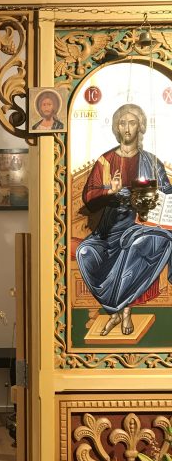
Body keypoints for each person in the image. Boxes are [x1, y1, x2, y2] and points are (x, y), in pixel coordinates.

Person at [76, 103, 172, 336]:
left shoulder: (151, 161)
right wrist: (110, 191)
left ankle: (124, 311)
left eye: (132, 122)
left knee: (137, 246)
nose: (127, 128)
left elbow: (167, 193)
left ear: (141, 126)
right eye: (122, 123)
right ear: (116, 127)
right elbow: (88, 196)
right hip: (111, 226)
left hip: (142, 223)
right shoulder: (105, 161)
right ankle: (115, 310)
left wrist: (155, 197)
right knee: (85, 252)